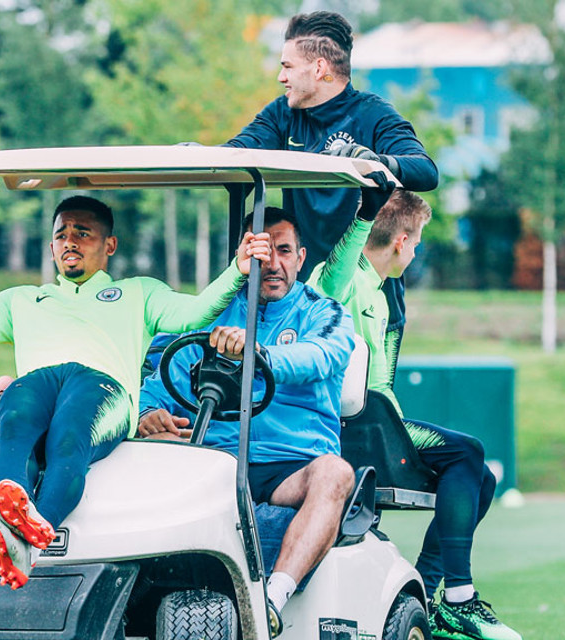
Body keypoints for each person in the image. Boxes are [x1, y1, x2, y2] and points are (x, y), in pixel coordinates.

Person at [0, 195, 270, 590]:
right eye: (61, 235)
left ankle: (25, 536)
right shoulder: (22, 299)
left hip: (103, 390)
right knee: (16, 409)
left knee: (71, 427)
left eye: (83, 233)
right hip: (40, 386)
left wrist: (238, 269)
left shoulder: (139, 292)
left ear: (109, 245)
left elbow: (193, 314)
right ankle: (21, 535)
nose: (70, 242)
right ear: (50, 247)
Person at [307, 190, 522, 640]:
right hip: (354, 431)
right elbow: (331, 279)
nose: (419, 249)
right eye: (418, 240)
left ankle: (427, 590)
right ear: (401, 241)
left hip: (380, 425)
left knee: (481, 477)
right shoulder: (344, 279)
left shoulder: (384, 293)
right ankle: (459, 598)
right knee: (469, 453)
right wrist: (367, 210)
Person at [137, 206, 357, 637]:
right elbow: (164, 369)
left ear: (300, 257)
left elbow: (323, 355)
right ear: (242, 256)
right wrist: (148, 415)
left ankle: (271, 600)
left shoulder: (325, 313)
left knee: (335, 472)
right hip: (214, 462)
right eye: (261, 252)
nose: (272, 263)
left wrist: (257, 355)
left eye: (283, 250)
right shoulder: (210, 314)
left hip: (290, 465)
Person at [222, 10, 440, 377]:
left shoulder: (372, 114)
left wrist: (375, 163)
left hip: (370, 305)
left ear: (320, 66)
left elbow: (426, 170)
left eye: (288, 66)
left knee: (367, 413)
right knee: (302, 406)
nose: (281, 77)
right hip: (302, 300)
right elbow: (235, 156)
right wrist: (201, 155)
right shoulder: (282, 115)